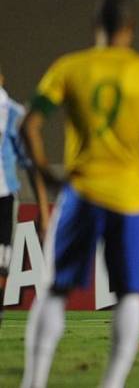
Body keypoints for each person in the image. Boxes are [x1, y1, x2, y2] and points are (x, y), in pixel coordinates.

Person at [19, 0, 139, 388]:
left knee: (54, 290)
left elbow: (30, 124)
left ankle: (33, 382)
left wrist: (49, 177)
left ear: (95, 28)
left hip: (81, 192)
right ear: (130, 29)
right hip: (133, 197)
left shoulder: (70, 67)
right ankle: (112, 384)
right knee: (129, 293)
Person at [1, 66, 49, 330]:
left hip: (4, 196)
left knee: (1, 262)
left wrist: (43, 208)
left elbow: (31, 164)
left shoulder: (14, 114)